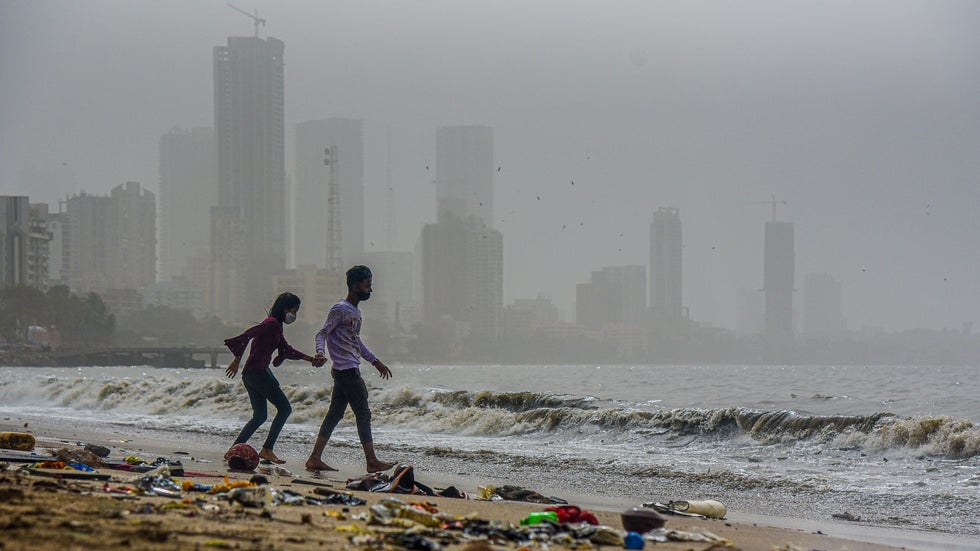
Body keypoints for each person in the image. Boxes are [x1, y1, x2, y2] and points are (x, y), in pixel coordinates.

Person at [305, 265, 396, 473]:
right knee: (363, 414)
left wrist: (375, 361)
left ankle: (314, 458)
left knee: (335, 414)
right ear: (355, 286)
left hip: (346, 369)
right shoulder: (340, 309)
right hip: (346, 371)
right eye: (367, 285)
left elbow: (356, 342)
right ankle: (372, 461)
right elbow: (322, 333)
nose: (370, 290)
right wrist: (320, 352)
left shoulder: (356, 312)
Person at [224, 292, 324, 465]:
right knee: (285, 409)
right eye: (294, 310)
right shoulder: (271, 324)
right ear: (285, 309)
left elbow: (287, 349)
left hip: (250, 375)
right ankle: (267, 449)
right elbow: (249, 334)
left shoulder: (276, 325)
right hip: (258, 373)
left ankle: (233, 450)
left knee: (260, 416)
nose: (295, 315)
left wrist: (311, 360)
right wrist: (236, 359)